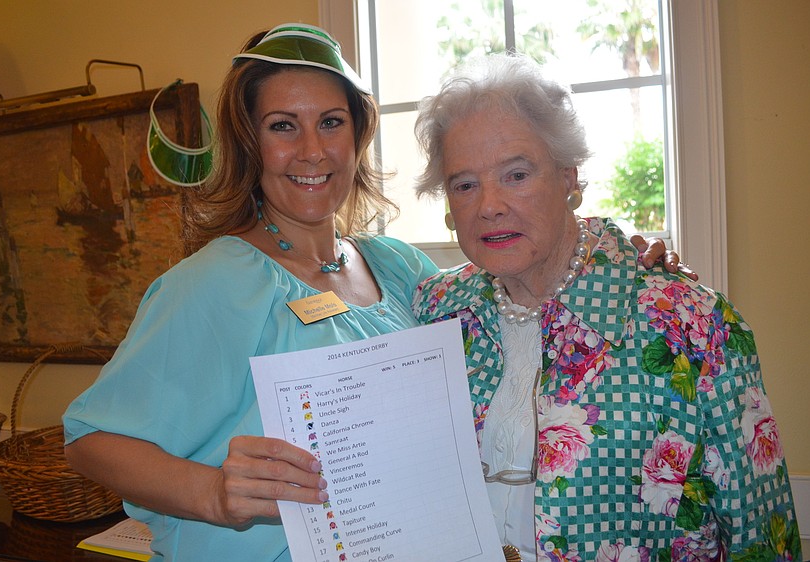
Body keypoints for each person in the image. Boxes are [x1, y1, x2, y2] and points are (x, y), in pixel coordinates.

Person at [63, 24, 686, 561]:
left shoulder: (397, 267)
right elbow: (91, 439)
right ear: (252, 144)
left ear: (357, 135)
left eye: (331, 122)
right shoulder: (213, 285)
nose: (312, 150)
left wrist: (609, 259)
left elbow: (517, 292)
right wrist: (212, 493)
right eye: (284, 126)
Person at [411, 53, 802, 561]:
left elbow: (760, 533)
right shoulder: (434, 311)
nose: (488, 204)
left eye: (516, 174)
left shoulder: (691, 323)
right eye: (464, 184)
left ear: (569, 177)